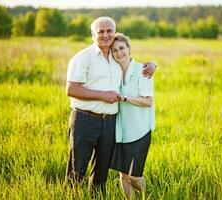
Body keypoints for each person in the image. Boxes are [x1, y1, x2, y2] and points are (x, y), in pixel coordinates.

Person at [65, 16, 155, 194]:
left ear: (114, 33)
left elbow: (131, 62)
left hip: (110, 123)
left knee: (101, 171)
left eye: (109, 31)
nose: (105, 35)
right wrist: (103, 96)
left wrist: (152, 65)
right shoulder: (83, 58)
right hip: (85, 119)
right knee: (77, 169)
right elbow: (72, 89)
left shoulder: (115, 57)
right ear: (93, 34)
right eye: (101, 31)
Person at [109, 33, 155, 199]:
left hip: (140, 130)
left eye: (121, 48)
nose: (118, 53)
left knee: (134, 175)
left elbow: (148, 101)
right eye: (114, 50)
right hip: (120, 130)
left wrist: (125, 98)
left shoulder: (142, 70)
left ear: (129, 49)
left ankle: (148, 196)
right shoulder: (113, 71)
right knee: (123, 174)